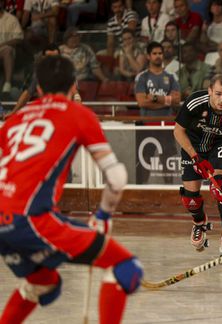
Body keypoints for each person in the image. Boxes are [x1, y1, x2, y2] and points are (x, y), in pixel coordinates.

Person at [0, 55, 142, 323]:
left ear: (38, 89)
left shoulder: (15, 121)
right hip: (30, 219)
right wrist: (103, 215)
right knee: (125, 266)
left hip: (3, 218)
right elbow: (117, 176)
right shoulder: (78, 114)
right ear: (74, 86)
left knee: (44, 282)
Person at [173, 74, 222, 257]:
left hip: (219, 144)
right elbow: (178, 131)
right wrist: (195, 157)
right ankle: (199, 223)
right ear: (210, 92)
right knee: (190, 198)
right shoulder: (195, 102)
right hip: (193, 145)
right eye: (218, 94)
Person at [12, 43, 82, 114]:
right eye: (49, 57)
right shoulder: (38, 73)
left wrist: (78, 112)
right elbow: (27, 93)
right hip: (41, 109)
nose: (52, 60)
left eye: (55, 57)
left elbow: (75, 94)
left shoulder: (67, 72)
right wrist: (13, 112)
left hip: (62, 109)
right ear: (43, 57)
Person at [134, 41, 181, 116]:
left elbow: (176, 101)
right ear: (148, 56)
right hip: (147, 122)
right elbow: (142, 102)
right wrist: (167, 101)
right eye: (154, 54)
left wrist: (155, 98)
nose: (158, 56)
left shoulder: (172, 76)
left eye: (160, 53)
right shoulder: (142, 77)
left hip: (167, 122)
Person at [0, 2, 23, 94]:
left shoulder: (11, 19)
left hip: (5, 49)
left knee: (7, 50)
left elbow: (19, 38)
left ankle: (7, 83)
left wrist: (3, 44)